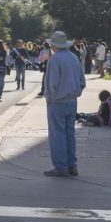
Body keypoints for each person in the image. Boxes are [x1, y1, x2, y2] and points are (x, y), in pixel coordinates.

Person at [43, 31, 86, 177]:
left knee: (57, 135)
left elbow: (52, 83)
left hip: (57, 102)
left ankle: (61, 166)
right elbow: (82, 81)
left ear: (54, 45)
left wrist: (50, 97)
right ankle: (72, 165)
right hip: (72, 101)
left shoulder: (55, 60)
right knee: (70, 134)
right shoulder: (74, 58)